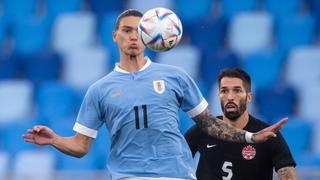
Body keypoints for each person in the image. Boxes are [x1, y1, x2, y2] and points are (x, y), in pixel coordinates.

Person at [22, 9, 287, 180]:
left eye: (139, 30)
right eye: (126, 30)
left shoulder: (175, 76)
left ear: (148, 36)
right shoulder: (99, 90)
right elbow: (81, 146)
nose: (133, 37)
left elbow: (209, 125)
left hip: (176, 176)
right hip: (130, 177)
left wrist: (250, 136)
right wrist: (55, 139)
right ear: (115, 37)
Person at [184, 68, 297, 180]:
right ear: (218, 95)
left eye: (237, 90)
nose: (230, 97)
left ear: (249, 97)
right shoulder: (203, 130)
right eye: (224, 91)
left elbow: (288, 175)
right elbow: (174, 162)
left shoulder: (267, 135)